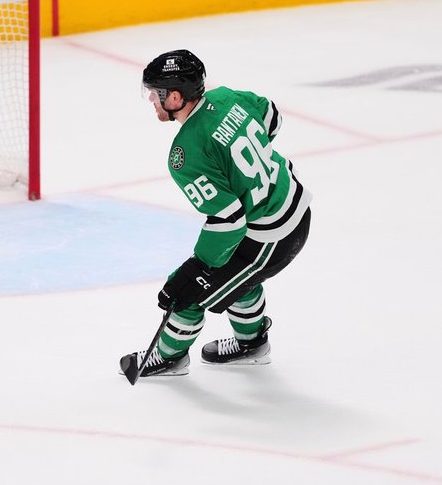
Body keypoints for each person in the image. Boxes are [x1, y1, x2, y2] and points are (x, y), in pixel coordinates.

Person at [120, 49, 312, 378]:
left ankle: (168, 357)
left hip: (270, 234)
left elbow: (230, 221)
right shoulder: (226, 98)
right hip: (292, 203)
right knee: (236, 279)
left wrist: (197, 267)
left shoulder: (186, 153)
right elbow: (272, 116)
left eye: (155, 94)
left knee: (189, 292)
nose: (151, 99)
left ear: (175, 97)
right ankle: (251, 345)